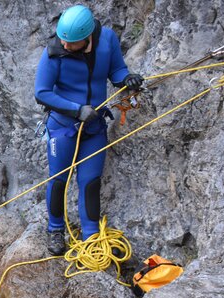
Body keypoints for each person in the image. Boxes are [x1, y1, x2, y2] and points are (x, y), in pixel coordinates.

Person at [34, 4, 144, 255]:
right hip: (63, 128)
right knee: (58, 180)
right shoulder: (53, 53)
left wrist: (127, 79)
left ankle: (91, 237)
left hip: (94, 128)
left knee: (90, 182)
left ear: (87, 38)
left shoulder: (107, 40)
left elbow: (116, 70)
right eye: (62, 39)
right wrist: (76, 109)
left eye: (71, 43)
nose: (65, 45)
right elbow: (42, 93)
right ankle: (55, 230)